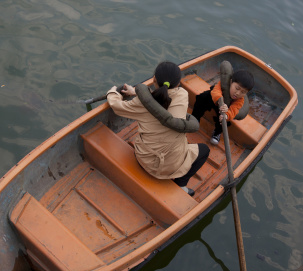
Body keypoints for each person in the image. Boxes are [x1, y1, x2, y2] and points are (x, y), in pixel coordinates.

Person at [106, 61, 210, 196]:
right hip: (171, 167)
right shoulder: (182, 95)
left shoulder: (139, 104)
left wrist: (112, 92)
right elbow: (161, 101)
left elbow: (117, 106)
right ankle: (181, 184)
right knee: (204, 150)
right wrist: (139, 94)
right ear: (178, 84)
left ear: (154, 79)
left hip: (144, 160)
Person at [191, 67, 254, 145]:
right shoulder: (224, 83)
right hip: (216, 99)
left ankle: (217, 133)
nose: (238, 93)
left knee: (223, 119)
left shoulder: (240, 100)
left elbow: (234, 110)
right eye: (237, 88)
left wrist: (227, 115)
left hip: (225, 109)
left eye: (243, 92)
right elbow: (216, 91)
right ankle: (195, 118)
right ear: (231, 82)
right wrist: (220, 101)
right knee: (201, 99)